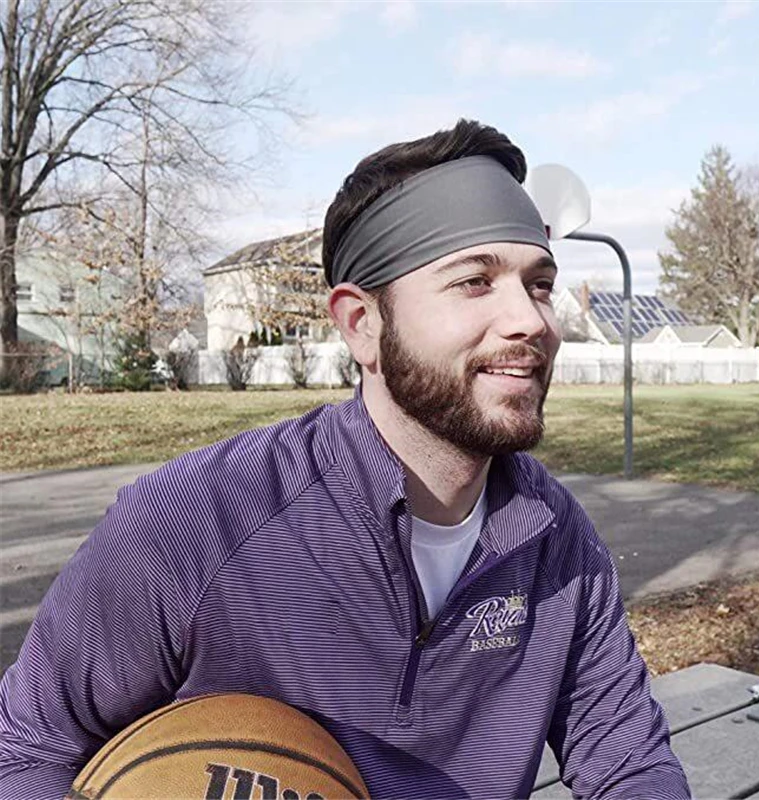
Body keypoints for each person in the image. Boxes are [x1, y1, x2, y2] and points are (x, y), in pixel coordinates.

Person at [0, 119, 690, 799]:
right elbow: (26, 749)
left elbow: (629, 764)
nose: (533, 320)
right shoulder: (192, 523)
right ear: (362, 325)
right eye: (475, 281)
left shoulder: (556, 538)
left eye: (538, 284)